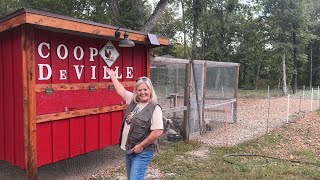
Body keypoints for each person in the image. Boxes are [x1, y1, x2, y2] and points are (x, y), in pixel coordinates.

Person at [106, 68, 163, 180]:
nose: (142, 92)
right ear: (136, 91)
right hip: (129, 149)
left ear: (150, 90)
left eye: (145, 89)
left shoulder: (154, 108)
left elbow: (158, 131)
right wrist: (112, 75)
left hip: (142, 151)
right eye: (139, 90)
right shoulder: (133, 101)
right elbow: (121, 91)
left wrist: (141, 146)